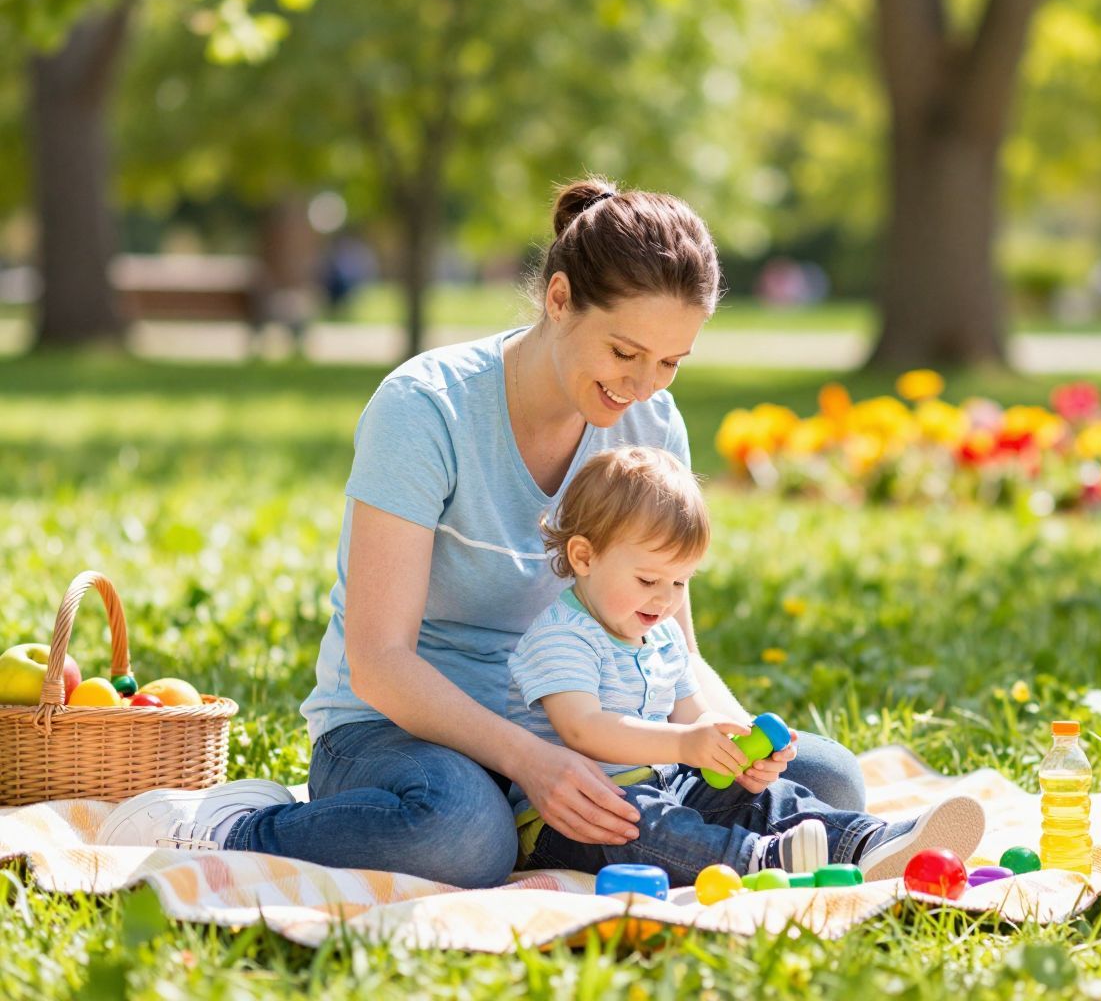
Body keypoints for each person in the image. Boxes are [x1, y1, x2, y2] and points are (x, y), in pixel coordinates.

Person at [98, 178, 869, 887]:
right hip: (400, 732)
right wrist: (531, 761)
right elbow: (379, 663)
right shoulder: (426, 409)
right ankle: (238, 825)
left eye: (671, 361)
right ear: (559, 299)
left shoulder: (651, 423)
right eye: (624, 352)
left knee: (825, 780)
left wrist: (728, 739)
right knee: (462, 836)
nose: (642, 386)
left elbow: (673, 646)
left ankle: (545, 829)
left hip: (589, 730)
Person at [508, 446, 985, 883]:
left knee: (762, 797)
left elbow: (693, 715)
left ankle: (867, 842)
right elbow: (583, 729)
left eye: (680, 583)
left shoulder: (662, 634)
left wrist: (736, 751)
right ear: (584, 557)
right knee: (646, 824)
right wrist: (685, 744)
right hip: (574, 813)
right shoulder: (561, 635)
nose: (665, 599)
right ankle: (762, 859)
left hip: (666, 782)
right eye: (649, 580)